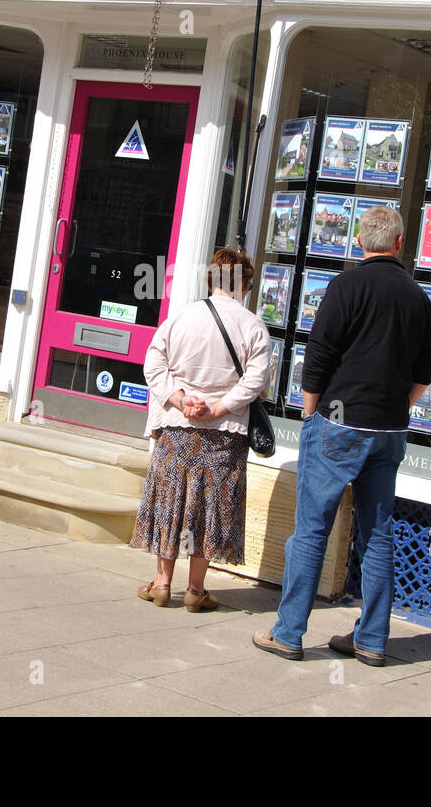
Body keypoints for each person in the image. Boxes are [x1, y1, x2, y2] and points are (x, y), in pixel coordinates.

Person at [253, 206, 431, 664]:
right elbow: (424, 374)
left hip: (338, 423)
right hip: (388, 428)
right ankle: (372, 640)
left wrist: (311, 414)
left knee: (312, 529)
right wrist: (395, 408)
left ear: (360, 242)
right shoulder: (417, 297)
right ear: (399, 244)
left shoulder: (345, 286)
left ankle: (289, 632)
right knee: (378, 536)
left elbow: (318, 355)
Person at [130, 248, 272, 611]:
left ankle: (162, 583)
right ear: (243, 283)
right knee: (209, 506)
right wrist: (220, 407)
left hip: (178, 426)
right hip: (225, 432)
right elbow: (255, 381)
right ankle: (195, 589)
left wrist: (181, 401)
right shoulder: (253, 326)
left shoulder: (180, 318)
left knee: (171, 500)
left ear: (212, 280)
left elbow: (153, 365)